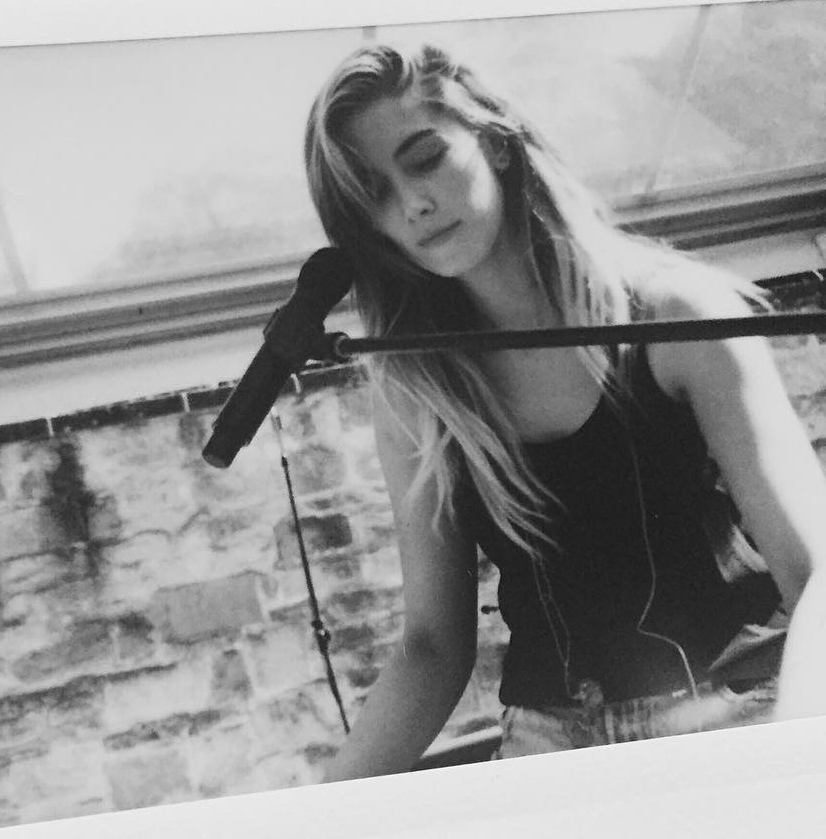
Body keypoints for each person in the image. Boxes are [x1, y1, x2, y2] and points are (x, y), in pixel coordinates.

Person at [303, 42, 826, 780]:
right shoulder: (416, 389)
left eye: (424, 159)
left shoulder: (676, 315)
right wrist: (313, 810)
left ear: (494, 141)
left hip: (734, 715)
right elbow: (431, 646)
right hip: (549, 744)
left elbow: (813, 571)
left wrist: (798, 754)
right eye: (375, 196)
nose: (411, 204)